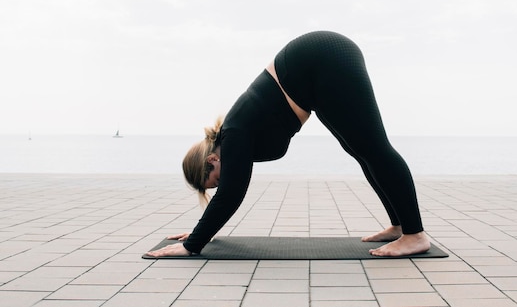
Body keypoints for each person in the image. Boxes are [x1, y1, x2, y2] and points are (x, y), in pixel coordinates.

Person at [146, 31, 430, 258]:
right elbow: (228, 193)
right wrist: (199, 233)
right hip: (314, 76)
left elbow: (231, 195)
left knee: (374, 148)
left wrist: (194, 244)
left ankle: (414, 235)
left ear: (211, 161)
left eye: (216, 180)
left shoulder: (233, 134)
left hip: (322, 57)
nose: (223, 182)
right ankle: (400, 226)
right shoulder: (236, 137)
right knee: (361, 151)